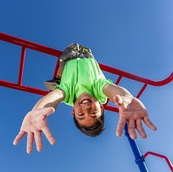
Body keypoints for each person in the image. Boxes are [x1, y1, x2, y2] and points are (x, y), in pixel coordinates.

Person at [13, 44, 157, 154]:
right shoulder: (99, 90)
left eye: (81, 115)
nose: (86, 109)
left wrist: (38, 109)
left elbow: (53, 99)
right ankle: (57, 80)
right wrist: (128, 98)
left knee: (61, 76)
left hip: (69, 57)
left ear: (73, 112)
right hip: (88, 55)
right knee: (79, 55)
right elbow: (114, 91)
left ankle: (58, 79)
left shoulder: (67, 95)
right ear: (101, 106)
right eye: (94, 113)